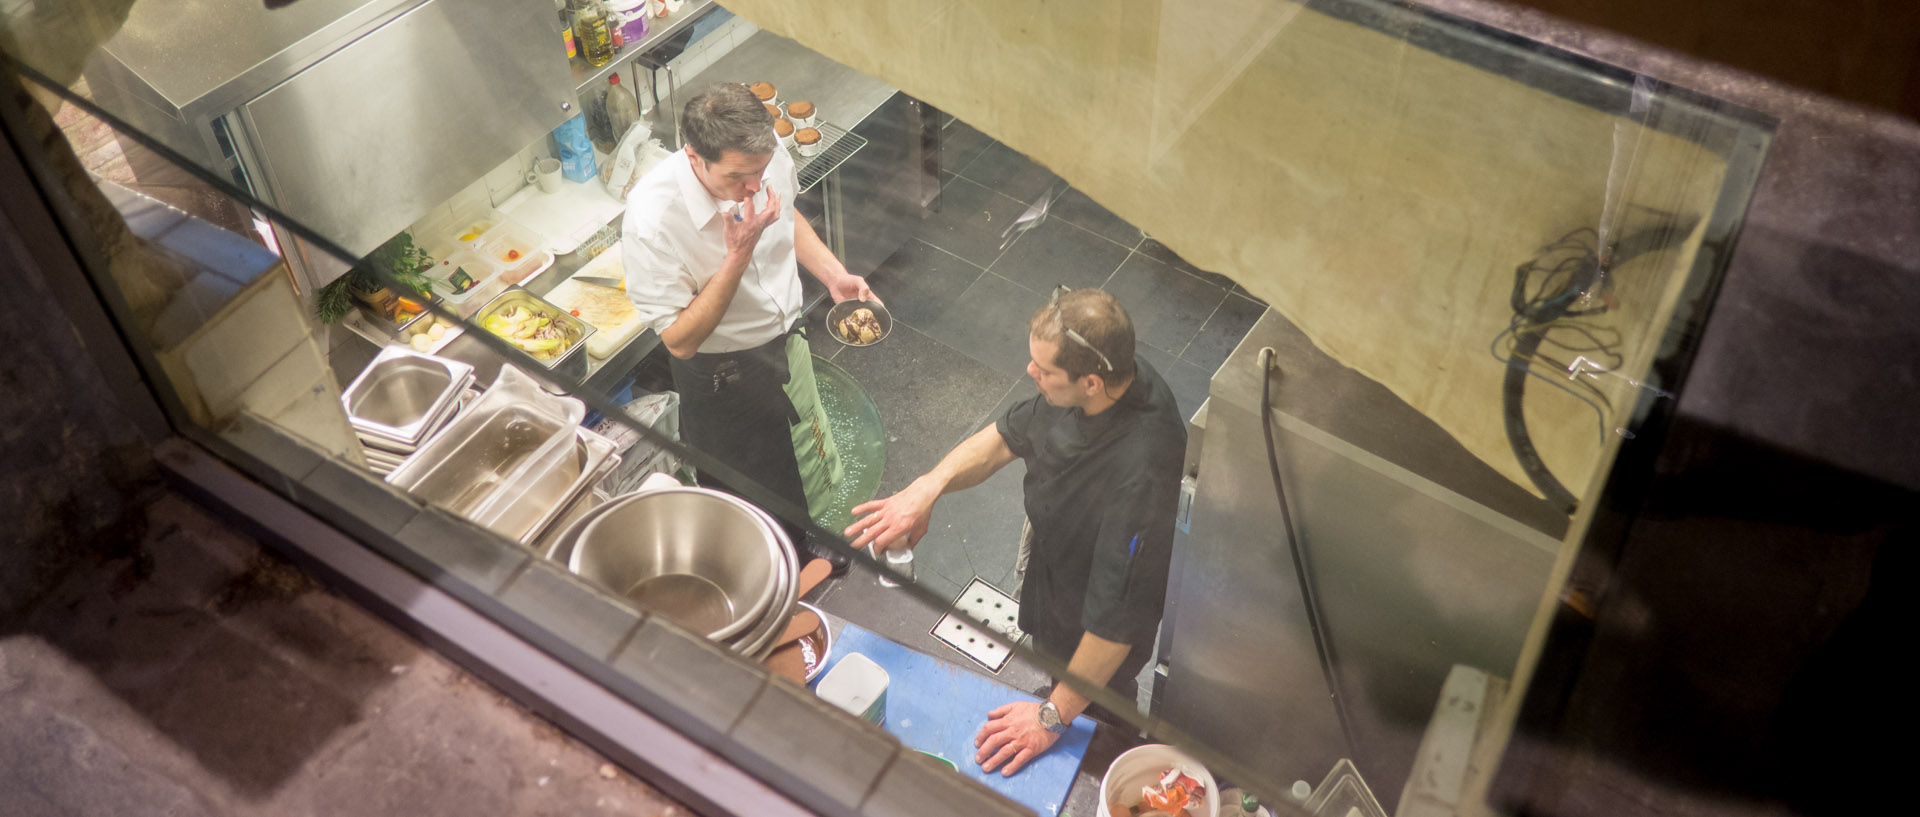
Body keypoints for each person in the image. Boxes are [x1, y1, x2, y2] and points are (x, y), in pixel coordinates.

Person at [844, 288, 1186, 776]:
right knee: (1054, 656)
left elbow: (1114, 627)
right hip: (1058, 567)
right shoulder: (1106, 376)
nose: (1030, 375)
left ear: (1090, 383)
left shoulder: (1141, 471)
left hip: (1096, 613)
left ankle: (1100, 739)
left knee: (1104, 714)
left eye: (1044, 371)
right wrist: (929, 486)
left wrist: (1051, 717)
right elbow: (1006, 437)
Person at [623, 83, 875, 572]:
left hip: (784, 339)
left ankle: (811, 542)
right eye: (738, 178)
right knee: (750, 491)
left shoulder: (764, 154)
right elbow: (680, 340)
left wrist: (832, 274)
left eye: (759, 173)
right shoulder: (652, 222)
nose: (754, 187)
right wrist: (737, 253)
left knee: (804, 448)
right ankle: (772, 576)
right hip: (722, 372)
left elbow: (788, 217)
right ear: (694, 156)